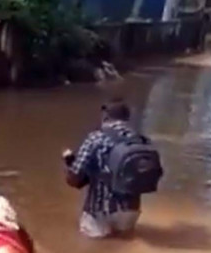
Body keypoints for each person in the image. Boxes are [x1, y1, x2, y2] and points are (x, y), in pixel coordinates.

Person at [63, 99, 155, 239]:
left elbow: (75, 178)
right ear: (127, 118)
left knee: (91, 248)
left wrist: (69, 162)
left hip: (100, 211)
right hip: (130, 211)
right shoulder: (141, 140)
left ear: (105, 117)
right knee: (125, 245)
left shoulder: (96, 138)